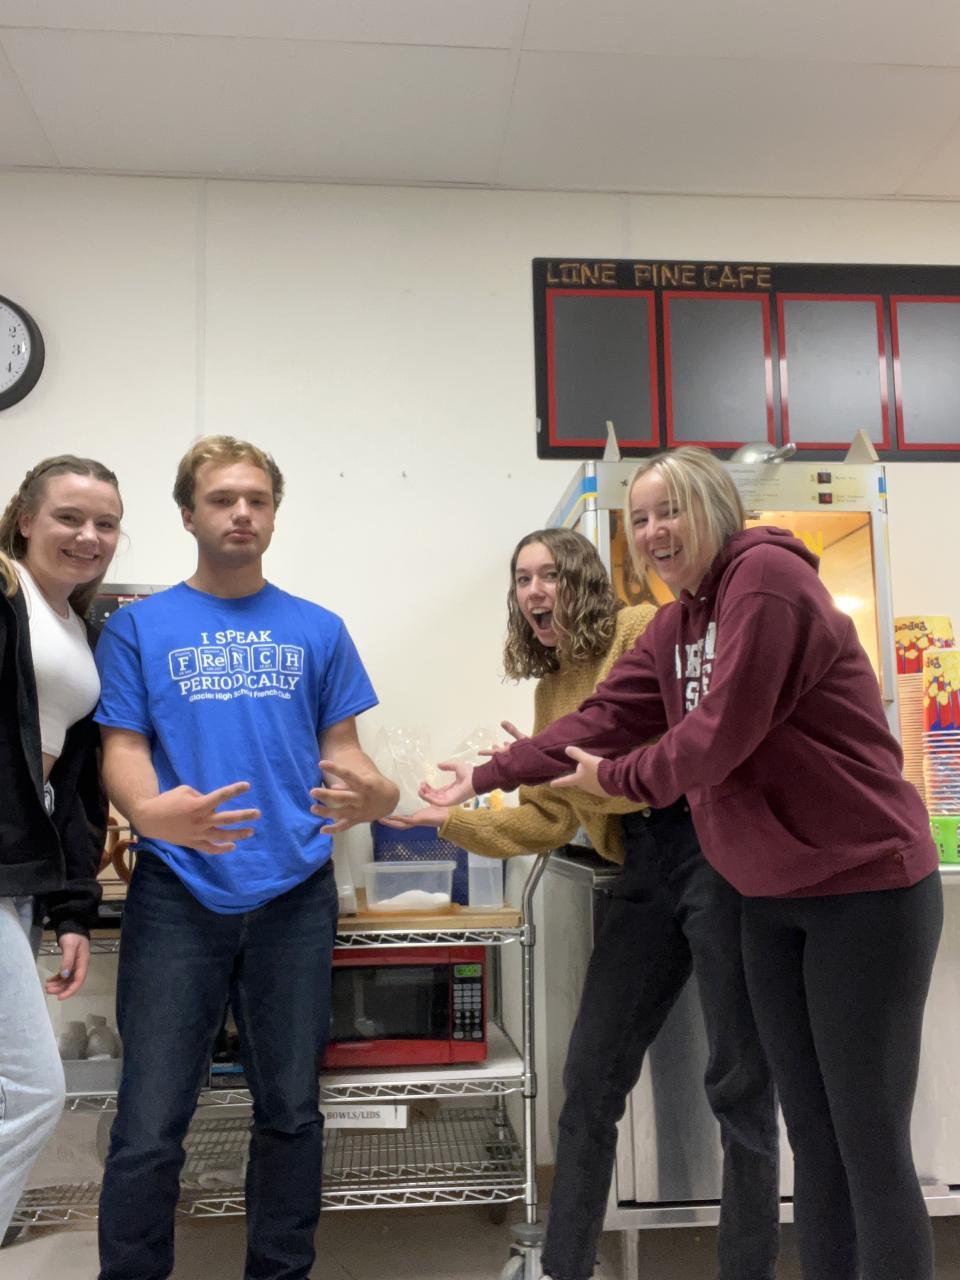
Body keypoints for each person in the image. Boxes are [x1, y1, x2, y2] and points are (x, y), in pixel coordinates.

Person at [423, 446, 942, 1280]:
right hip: (767, 893)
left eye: (671, 511)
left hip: (866, 887)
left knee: (867, 1138)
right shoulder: (674, 628)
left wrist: (615, 778)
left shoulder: (767, 580)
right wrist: (483, 774)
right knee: (814, 1134)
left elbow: (717, 737)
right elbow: (601, 718)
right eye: (641, 518)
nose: (654, 530)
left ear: (717, 511)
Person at [391, 527, 779, 1280]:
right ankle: (564, 1266)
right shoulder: (549, 691)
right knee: (591, 1080)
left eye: (550, 575)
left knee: (739, 1081)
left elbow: (671, 750)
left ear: (583, 581)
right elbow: (548, 818)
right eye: (522, 579)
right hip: (642, 863)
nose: (535, 591)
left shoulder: (640, 629)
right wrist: (447, 822)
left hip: (711, 848)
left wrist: (573, 772)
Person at [94, 435, 398, 1280]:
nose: (242, 513)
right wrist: (150, 811)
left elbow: (347, 754)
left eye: (257, 500)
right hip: (175, 894)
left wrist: (379, 796)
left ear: (273, 515)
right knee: (150, 1122)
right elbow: (121, 748)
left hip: (294, 893)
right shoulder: (138, 627)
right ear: (187, 514)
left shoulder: (318, 629)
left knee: (291, 1113)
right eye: (223, 499)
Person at [0, 455, 123, 1238]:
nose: (88, 535)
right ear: (24, 520)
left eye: (105, 523)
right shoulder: (4, 592)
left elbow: (75, 792)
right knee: (34, 1091)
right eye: (68, 517)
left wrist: (74, 908)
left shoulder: (80, 628)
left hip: (18, 876)